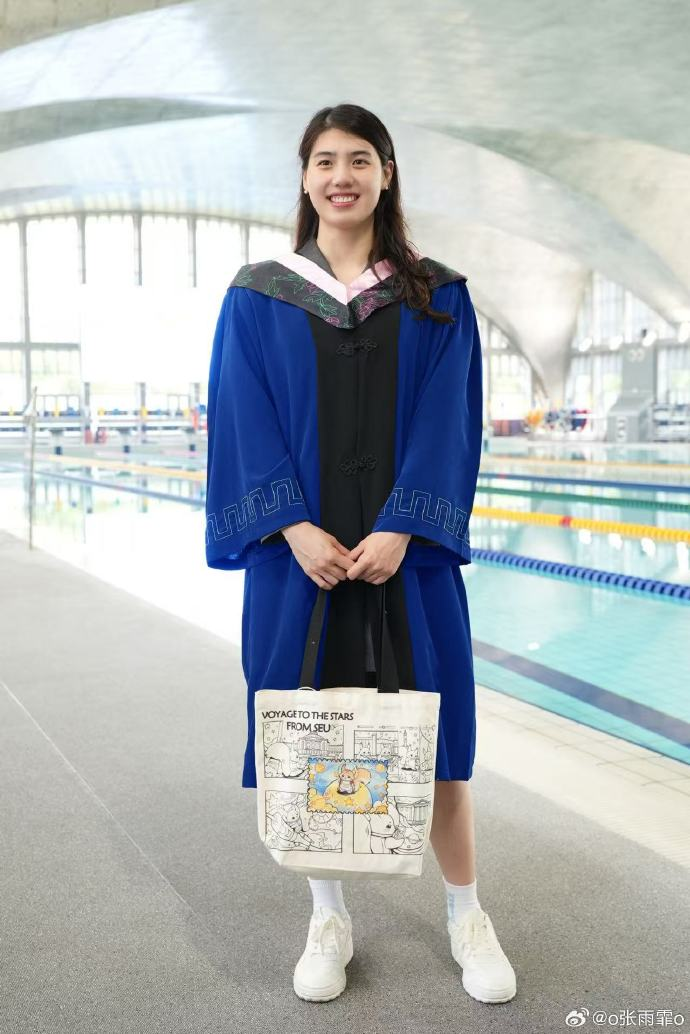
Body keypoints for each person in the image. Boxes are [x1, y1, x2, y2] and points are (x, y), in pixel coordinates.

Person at [205, 103, 516, 1005]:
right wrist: (293, 527)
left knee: (440, 740)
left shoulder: (438, 296)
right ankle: (328, 916)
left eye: (359, 160)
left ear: (386, 173)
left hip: (406, 560)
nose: (341, 176)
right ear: (305, 179)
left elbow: (449, 422)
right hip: (296, 562)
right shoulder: (258, 295)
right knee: (309, 735)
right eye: (325, 161)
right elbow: (242, 418)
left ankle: (467, 913)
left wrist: (403, 525)